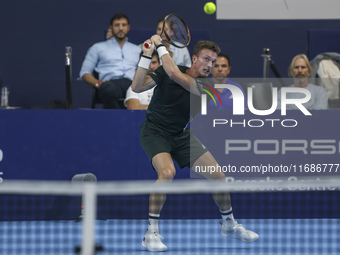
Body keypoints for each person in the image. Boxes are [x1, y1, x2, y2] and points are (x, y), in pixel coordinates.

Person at [131, 35, 259, 252]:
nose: (210, 65)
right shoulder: (167, 70)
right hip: (154, 132)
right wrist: (145, 55)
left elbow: (173, 73)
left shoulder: (207, 87)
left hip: (181, 135)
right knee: (167, 172)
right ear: (194, 58)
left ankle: (229, 224)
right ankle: (151, 233)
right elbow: (136, 87)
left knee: (218, 176)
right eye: (207, 59)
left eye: (214, 62)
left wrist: (160, 45)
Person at [79, 13, 141, 109]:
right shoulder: (97, 47)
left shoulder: (137, 49)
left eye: (123, 25)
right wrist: (98, 84)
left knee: (144, 90)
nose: (121, 28)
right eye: (117, 25)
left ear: (128, 27)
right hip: (110, 83)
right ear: (111, 27)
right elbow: (84, 73)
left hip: (131, 84)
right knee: (108, 89)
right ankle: (115, 121)